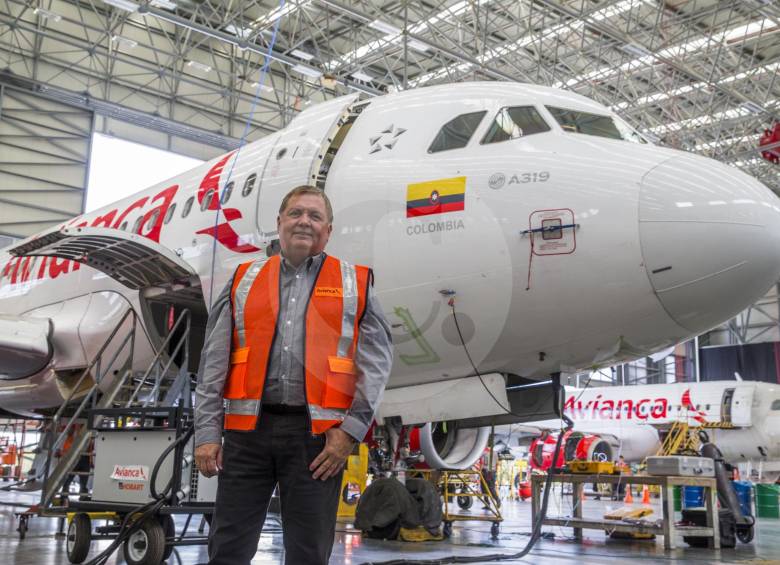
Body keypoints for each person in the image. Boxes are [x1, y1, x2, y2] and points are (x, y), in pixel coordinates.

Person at [194, 185, 393, 565]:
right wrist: (206, 434)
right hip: (246, 434)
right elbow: (213, 363)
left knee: (308, 552)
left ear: (328, 230)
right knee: (228, 547)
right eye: (296, 213)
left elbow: (377, 365)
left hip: (318, 441)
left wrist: (350, 431)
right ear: (279, 223)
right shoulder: (242, 280)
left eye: (315, 216)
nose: (305, 221)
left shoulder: (355, 283)